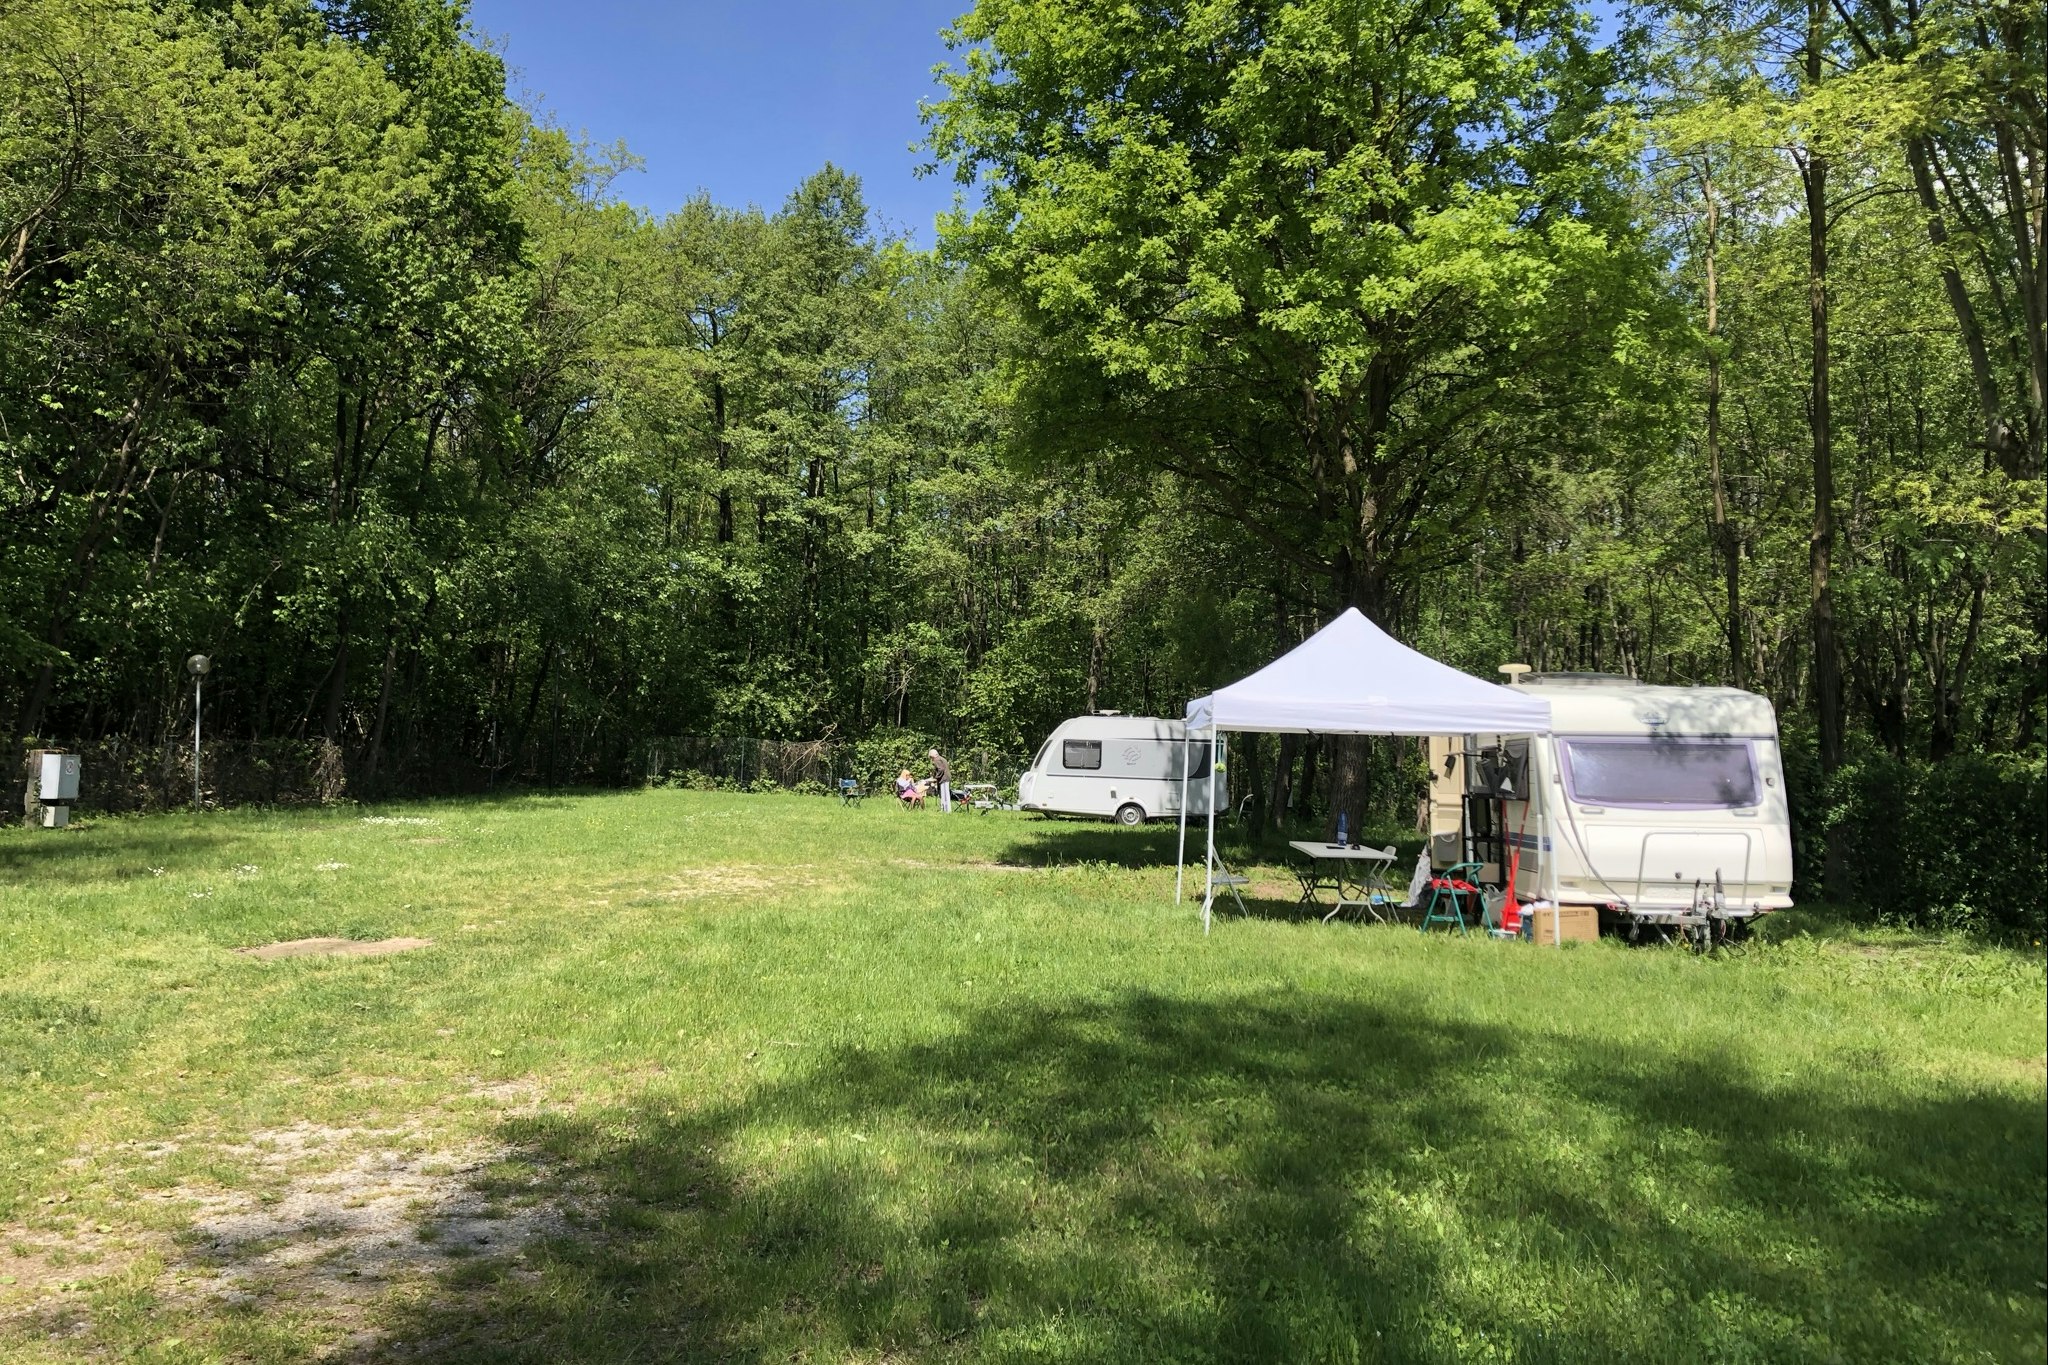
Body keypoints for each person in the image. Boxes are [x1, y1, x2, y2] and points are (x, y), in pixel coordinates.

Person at [928, 747, 952, 813]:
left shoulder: (937, 760)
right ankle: (944, 809)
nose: (931, 759)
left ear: (933, 755)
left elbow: (941, 769)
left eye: (931, 757)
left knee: (945, 795)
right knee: (944, 794)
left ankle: (947, 810)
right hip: (946, 778)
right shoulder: (942, 758)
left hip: (944, 778)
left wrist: (936, 777)